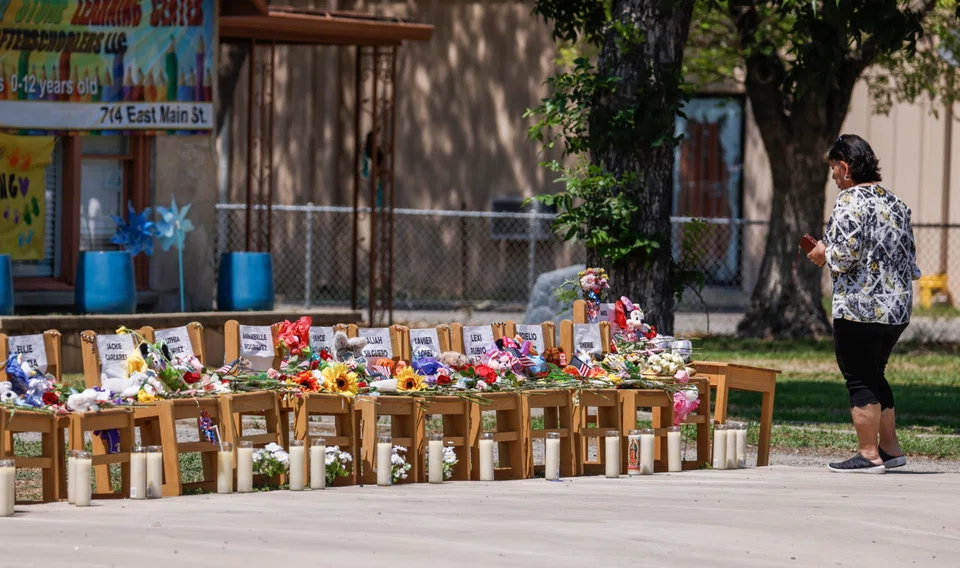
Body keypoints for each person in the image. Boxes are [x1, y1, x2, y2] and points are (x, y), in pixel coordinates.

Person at [807, 134, 921, 474]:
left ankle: (868, 454)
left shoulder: (849, 201)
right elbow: (909, 260)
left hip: (859, 307)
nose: (832, 177)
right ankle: (891, 449)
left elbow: (843, 256)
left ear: (844, 167)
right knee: (874, 373)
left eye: (832, 169)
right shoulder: (897, 203)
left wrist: (820, 252)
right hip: (897, 308)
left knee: (858, 377)